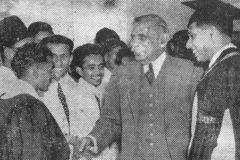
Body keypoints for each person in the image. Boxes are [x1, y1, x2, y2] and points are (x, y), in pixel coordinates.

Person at [77, 14, 203, 160]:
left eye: (142, 38)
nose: (133, 44)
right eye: (133, 38)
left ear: (162, 40)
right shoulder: (121, 73)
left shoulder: (190, 72)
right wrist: (93, 139)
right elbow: (111, 119)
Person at [185, 3, 240, 159]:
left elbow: (211, 141)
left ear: (211, 34)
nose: (188, 44)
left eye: (192, 35)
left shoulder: (224, 71)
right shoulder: (229, 66)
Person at [0, 43, 70, 159]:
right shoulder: (29, 106)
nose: (51, 76)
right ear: (35, 71)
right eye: (49, 70)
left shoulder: (5, 99)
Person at [70, 43, 118, 160]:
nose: (98, 72)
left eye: (101, 67)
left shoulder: (102, 90)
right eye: (91, 68)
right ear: (79, 71)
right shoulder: (76, 96)